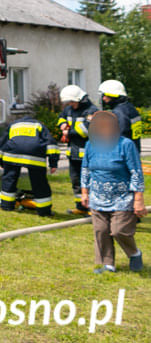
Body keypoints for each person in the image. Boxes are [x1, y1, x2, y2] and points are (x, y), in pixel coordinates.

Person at [81, 110, 146, 273]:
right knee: (101, 231)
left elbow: (136, 172)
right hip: (97, 197)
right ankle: (108, 264)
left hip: (122, 198)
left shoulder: (126, 145)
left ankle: (134, 253)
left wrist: (138, 198)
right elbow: (86, 169)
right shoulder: (91, 144)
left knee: (119, 230)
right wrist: (84, 192)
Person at [0, 116, 60, 216]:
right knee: (39, 183)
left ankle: (6, 206)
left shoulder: (13, 125)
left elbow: (1, 144)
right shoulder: (39, 125)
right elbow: (51, 144)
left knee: (9, 179)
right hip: (34, 156)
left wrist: (1, 161)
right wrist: (53, 163)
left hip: (12, 154)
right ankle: (44, 211)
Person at [58, 85, 98, 215]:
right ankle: (80, 207)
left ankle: (92, 207)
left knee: (89, 181)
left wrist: (68, 132)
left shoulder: (92, 111)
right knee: (76, 181)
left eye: (72, 101)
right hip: (73, 153)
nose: (70, 104)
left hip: (87, 154)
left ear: (80, 99)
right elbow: (61, 117)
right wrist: (62, 124)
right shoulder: (69, 109)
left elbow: (86, 130)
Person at [99, 79, 143, 151]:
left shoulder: (119, 112)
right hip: (134, 149)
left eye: (105, 95)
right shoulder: (130, 108)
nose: (103, 98)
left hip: (123, 153)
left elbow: (119, 135)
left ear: (113, 96)